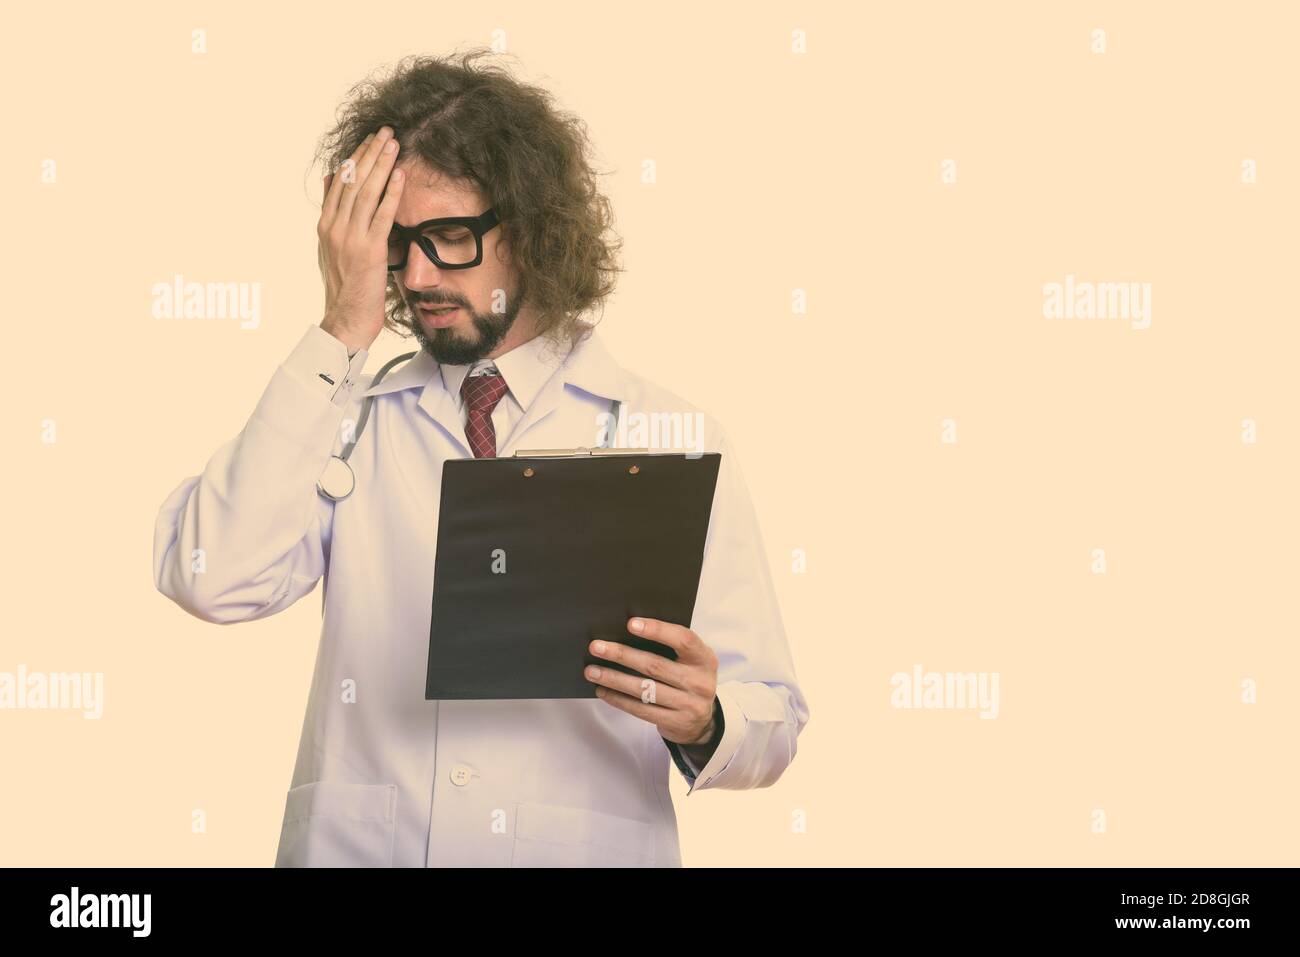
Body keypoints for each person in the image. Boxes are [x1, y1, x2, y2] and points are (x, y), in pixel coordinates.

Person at [152, 49, 809, 867]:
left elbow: (773, 718)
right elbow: (210, 576)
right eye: (395, 243)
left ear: (531, 231)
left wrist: (707, 719)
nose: (418, 275)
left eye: (450, 237)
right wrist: (339, 329)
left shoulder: (670, 433)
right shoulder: (342, 415)